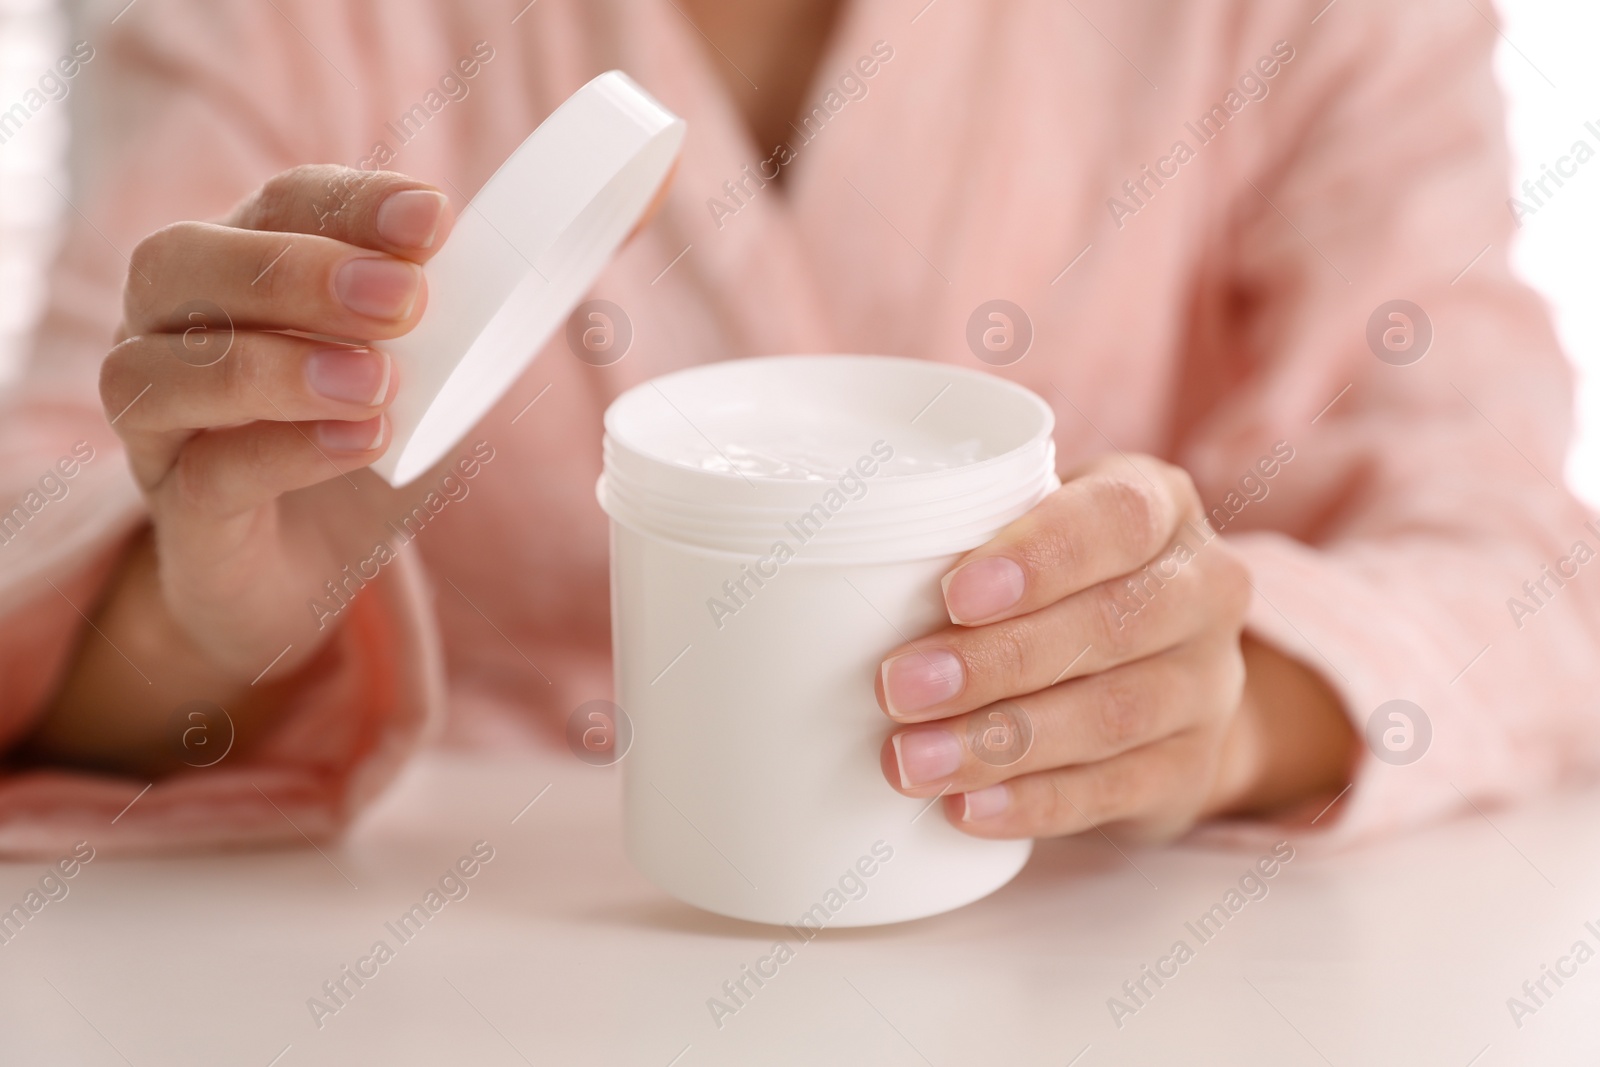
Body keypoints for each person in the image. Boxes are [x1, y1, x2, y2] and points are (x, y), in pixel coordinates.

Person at [0, 0, 1595, 855]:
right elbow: (40, 514)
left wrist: (1219, 702)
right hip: (471, 987)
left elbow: (1521, 553)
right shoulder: (277, 20)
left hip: (1067, 980)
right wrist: (190, 625)